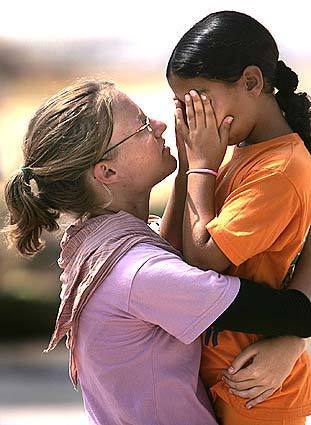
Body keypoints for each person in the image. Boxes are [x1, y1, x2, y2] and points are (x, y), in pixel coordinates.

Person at [2, 79, 311, 425]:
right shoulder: (142, 274)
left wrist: (187, 168)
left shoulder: (98, 244)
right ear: (107, 171)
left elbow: (170, 246)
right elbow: (296, 313)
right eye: (144, 126)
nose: (161, 125)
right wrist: (202, 168)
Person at [166, 10, 311, 425]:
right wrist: (186, 167)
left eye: (199, 99)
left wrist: (201, 168)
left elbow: (203, 260)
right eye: (182, 105)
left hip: (255, 388)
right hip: (221, 373)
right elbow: (174, 251)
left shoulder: (279, 168)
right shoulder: (238, 154)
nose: (194, 119)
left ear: (251, 82)